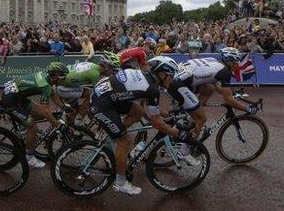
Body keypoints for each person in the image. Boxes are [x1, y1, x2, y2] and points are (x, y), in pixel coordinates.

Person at [88, 57, 194, 195]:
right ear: (162, 74)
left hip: (105, 97)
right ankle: (120, 182)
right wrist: (177, 133)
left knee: (138, 112)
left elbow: (148, 110)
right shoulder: (152, 89)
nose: (172, 80)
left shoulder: (145, 76)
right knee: (125, 141)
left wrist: (167, 116)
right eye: (171, 76)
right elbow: (156, 122)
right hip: (102, 104)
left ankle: (112, 132)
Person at [169, 47, 258, 136]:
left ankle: (192, 114)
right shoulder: (224, 72)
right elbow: (228, 100)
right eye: (236, 62)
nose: (237, 65)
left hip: (175, 76)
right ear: (229, 62)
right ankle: (189, 147)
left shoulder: (213, 61)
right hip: (179, 84)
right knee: (201, 119)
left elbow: (218, 87)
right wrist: (248, 109)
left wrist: (231, 92)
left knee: (209, 88)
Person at [0, 62, 69, 168]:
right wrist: (57, 125)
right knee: (33, 128)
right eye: (63, 77)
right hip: (10, 101)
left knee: (39, 115)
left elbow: (51, 94)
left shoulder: (47, 78)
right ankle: (29, 157)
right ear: (55, 76)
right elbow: (46, 111)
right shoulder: (44, 85)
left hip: (17, 97)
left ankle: (23, 125)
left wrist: (63, 106)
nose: (64, 80)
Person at [53, 51, 121, 125]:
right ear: (107, 67)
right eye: (113, 69)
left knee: (74, 109)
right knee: (91, 94)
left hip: (63, 86)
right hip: (62, 88)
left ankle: (68, 123)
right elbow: (99, 93)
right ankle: (79, 120)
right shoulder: (95, 74)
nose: (113, 72)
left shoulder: (92, 65)